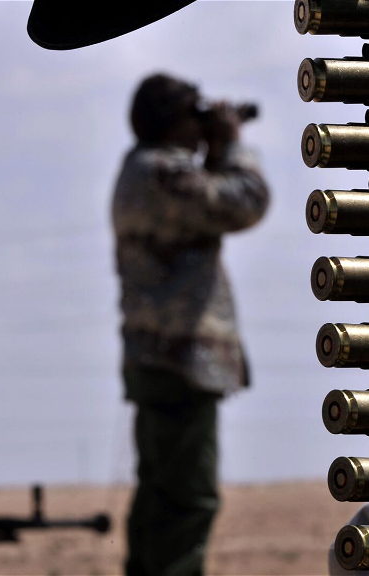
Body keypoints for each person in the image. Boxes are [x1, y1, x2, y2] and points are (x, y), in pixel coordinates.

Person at [111, 73, 269, 576]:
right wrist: (233, 146)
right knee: (187, 498)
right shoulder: (163, 171)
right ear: (171, 121)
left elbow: (207, 203)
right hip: (180, 359)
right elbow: (245, 202)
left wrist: (214, 150)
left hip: (156, 356)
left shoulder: (143, 170)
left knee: (160, 493)